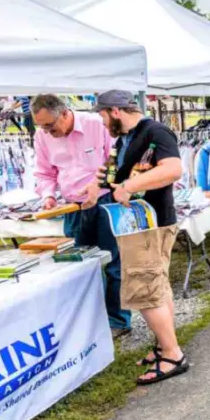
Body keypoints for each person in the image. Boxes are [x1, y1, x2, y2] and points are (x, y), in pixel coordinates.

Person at [91, 90, 186, 384]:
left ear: (115, 112)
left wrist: (130, 186)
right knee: (157, 285)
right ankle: (163, 343)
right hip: (140, 223)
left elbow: (173, 169)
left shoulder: (155, 132)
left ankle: (172, 355)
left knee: (146, 291)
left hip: (149, 223)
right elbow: (109, 170)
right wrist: (94, 189)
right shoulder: (124, 139)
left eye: (103, 117)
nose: (104, 124)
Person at [32, 94, 132, 338]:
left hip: (106, 203)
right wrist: (48, 196)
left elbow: (117, 162)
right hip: (72, 208)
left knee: (113, 262)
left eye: (50, 126)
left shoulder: (96, 125)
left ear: (65, 114)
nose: (47, 132)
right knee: (77, 265)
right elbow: (45, 172)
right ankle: (88, 319)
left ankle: (118, 321)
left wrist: (99, 189)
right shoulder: (42, 136)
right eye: (41, 127)